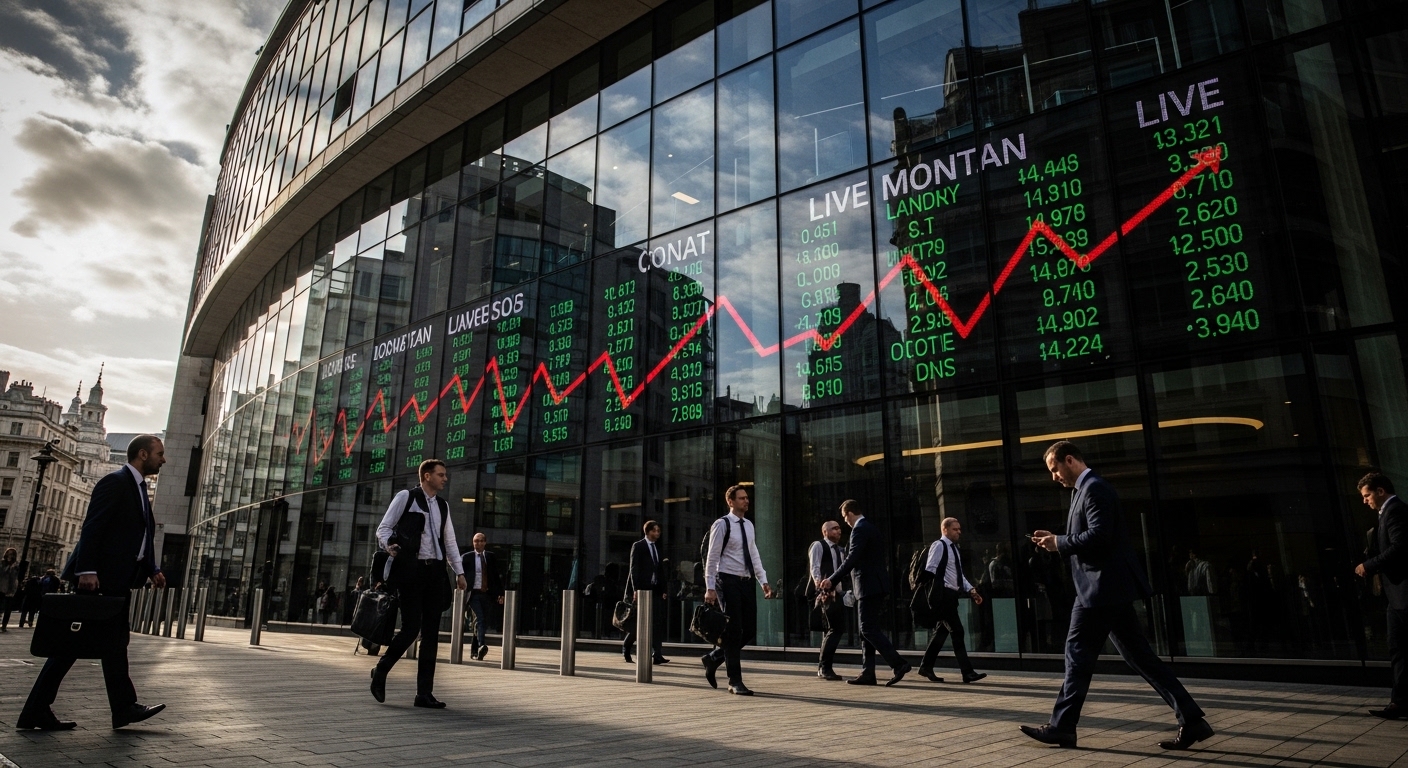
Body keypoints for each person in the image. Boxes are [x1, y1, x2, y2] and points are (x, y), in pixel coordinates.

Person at [1022, 440, 1212, 750]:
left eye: (1055, 470)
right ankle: (1192, 720)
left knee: (1077, 654)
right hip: (1108, 588)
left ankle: (1062, 727)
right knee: (1140, 657)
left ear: (1069, 460)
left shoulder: (1094, 488)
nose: (1054, 477)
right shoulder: (1084, 491)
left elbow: (1099, 535)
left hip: (1100, 589)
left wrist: (1061, 542)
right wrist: (1057, 539)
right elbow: (1090, 534)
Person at [17, 435, 168, 731]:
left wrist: (151, 568)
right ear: (142, 454)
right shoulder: (115, 482)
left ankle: (42, 710)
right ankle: (118, 708)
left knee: (106, 645)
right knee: (76, 647)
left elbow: (140, 536)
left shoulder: (138, 489)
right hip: (99, 579)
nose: (163, 459)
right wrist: (86, 569)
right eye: (159, 454)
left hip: (118, 578)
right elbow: (93, 527)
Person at [369, 459, 467, 709]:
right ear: (426, 476)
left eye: (445, 475)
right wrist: (388, 546)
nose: (445, 479)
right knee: (411, 628)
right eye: (441, 475)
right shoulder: (407, 497)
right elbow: (383, 528)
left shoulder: (443, 506)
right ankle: (381, 670)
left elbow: (450, 541)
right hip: (411, 572)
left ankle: (424, 693)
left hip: (435, 572)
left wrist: (459, 571)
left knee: (432, 634)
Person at [819, 500, 911, 687]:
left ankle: (898, 664)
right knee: (866, 630)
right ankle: (868, 672)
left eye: (845, 517)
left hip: (868, 586)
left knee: (868, 629)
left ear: (850, 513)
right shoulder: (872, 528)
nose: (845, 522)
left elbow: (852, 558)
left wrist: (832, 580)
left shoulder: (859, 529)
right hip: (874, 585)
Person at [702, 484, 775, 696]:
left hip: (746, 581)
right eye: (742, 498)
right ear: (730, 501)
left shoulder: (749, 525)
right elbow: (712, 557)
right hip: (727, 580)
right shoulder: (722, 524)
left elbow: (754, 554)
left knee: (749, 629)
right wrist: (710, 587)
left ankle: (715, 657)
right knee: (734, 632)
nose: (746, 501)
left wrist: (763, 580)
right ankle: (735, 681)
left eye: (747, 498)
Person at [1354, 472, 1406, 719]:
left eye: (1367, 495)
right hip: (1397, 596)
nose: (1365, 501)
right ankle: (1399, 702)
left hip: (1404, 594)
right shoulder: (1386, 513)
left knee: (1400, 648)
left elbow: (1400, 547)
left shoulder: (1395, 511)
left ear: (1380, 491)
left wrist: (1369, 565)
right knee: (1397, 649)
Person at [917, 517, 987, 684]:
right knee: (957, 631)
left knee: (941, 632)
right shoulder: (939, 546)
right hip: (943, 597)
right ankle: (967, 672)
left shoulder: (954, 549)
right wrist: (928, 595)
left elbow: (958, 575)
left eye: (959, 529)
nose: (959, 532)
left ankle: (926, 666)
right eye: (955, 529)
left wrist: (971, 590)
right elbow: (930, 569)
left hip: (951, 596)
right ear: (945, 530)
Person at [806, 520, 849, 680]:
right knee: (835, 629)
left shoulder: (840, 550)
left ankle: (823, 667)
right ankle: (825, 668)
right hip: (824, 593)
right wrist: (820, 587)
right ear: (825, 532)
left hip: (836, 594)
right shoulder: (818, 545)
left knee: (832, 630)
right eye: (834, 529)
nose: (838, 531)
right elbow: (814, 567)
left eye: (839, 528)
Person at [623, 520, 669, 665]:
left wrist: (663, 589)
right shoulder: (639, 546)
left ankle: (657, 654)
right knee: (639, 623)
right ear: (647, 531)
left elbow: (660, 570)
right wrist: (635, 589)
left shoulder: (658, 548)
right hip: (642, 590)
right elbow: (634, 569)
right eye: (654, 530)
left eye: (658, 531)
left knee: (657, 622)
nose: (657, 533)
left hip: (655, 590)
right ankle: (626, 647)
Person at [462, 532, 503, 661]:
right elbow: (459, 574)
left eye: (480, 541)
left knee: (480, 622)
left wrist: (500, 594)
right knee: (479, 618)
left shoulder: (490, 557)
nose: (478, 543)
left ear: (485, 542)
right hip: (473, 594)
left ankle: (475, 651)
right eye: (475, 541)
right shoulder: (466, 557)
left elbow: (496, 577)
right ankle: (481, 645)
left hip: (487, 594)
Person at [1, 548, 18, 632]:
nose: (10, 555)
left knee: (8, 609)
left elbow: (15, 578)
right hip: (1, 587)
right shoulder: (2, 563)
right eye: (9, 553)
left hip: (10, 588)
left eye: (12, 554)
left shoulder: (15, 565)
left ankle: (4, 625)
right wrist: (8, 567)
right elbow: (2, 573)